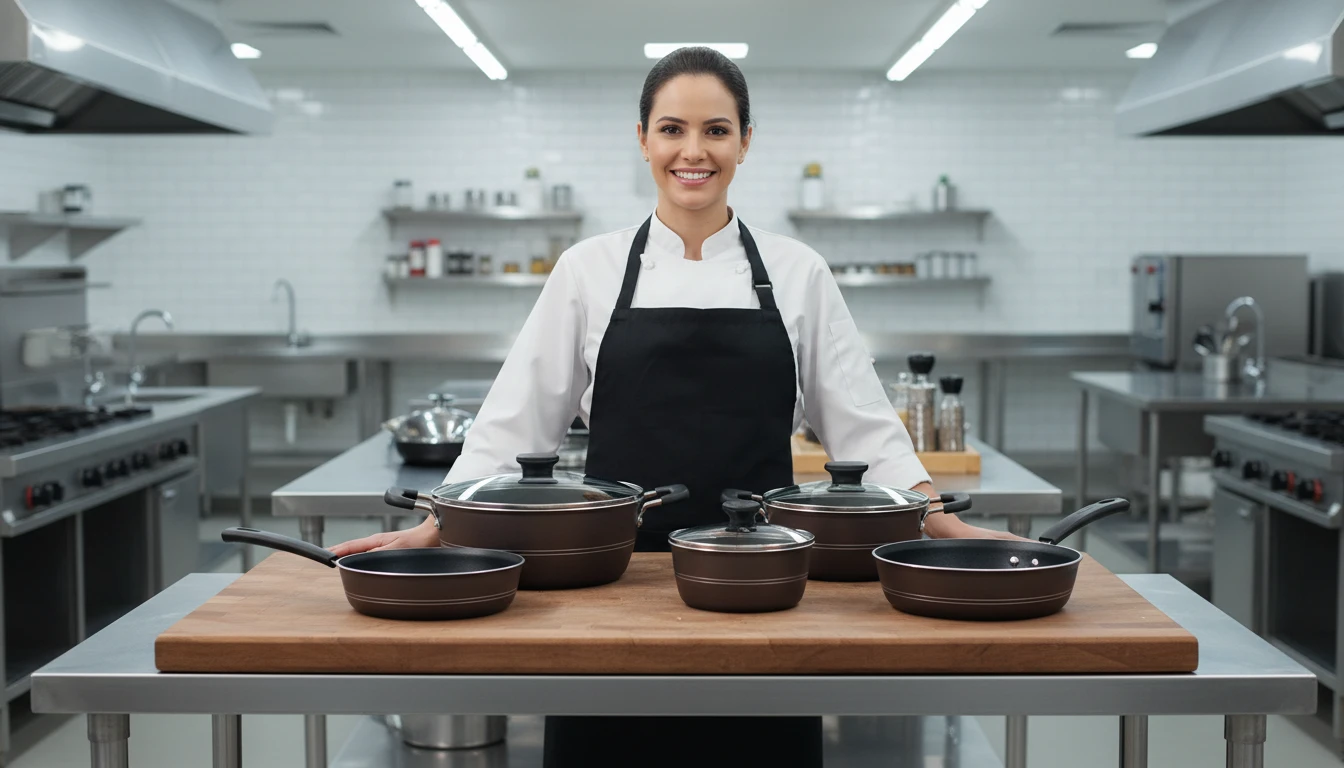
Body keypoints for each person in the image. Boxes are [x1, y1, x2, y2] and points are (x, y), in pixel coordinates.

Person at [332, 45, 1017, 768]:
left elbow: (865, 427)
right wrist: (440, 525)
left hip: (759, 583)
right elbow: (514, 421)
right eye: (672, 129)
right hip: (607, 589)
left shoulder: (796, 272)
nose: (694, 151)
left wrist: (939, 520)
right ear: (643, 139)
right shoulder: (588, 270)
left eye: (717, 130)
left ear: (746, 142)